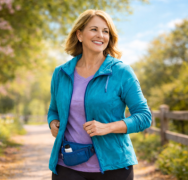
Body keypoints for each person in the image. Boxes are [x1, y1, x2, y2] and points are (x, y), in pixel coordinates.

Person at [47, 9, 152, 180]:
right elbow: (53, 110)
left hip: (114, 167)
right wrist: (53, 123)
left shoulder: (121, 72)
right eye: (94, 29)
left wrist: (108, 127)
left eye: (105, 31)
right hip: (67, 166)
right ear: (79, 35)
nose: (101, 35)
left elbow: (144, 117)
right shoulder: (61, 74)